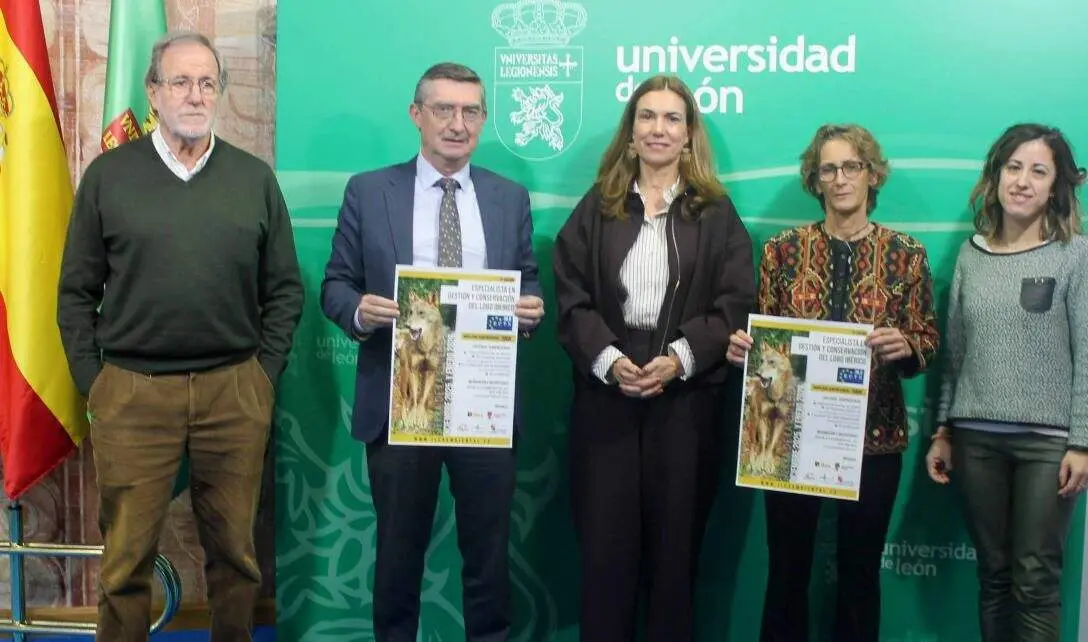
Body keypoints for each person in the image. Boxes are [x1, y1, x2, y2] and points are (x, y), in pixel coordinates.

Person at [56, 31, 304, 642]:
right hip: (133, 396)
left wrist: (261, 377)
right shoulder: (109, 177)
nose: (194, 95)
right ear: (153, 92)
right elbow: (74, 294)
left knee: (237, 560)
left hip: (233, 392)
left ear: (218, 92)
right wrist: (98, 383)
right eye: (180, 82)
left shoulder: (253, 179)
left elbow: (285, 291)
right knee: (125, 564)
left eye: (206, 83)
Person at [320, 62, 544, 642]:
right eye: (443, 109)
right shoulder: (370, 191)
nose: (457, 123)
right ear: (416, 115)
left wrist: (530, 310)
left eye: (470, 111)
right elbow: (335, 286)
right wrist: (358, 311)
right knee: (397, 559)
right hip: (402, 403)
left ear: (484, 120)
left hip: (483, 407)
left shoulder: (509, 197)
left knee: (489, 560)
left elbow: (528, 281)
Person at [553, 74, 755, 641]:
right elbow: (571, 297)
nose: (658, 129)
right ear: (631, 131)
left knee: (674, 555)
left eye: (672, 119)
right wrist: (610, 360)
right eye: (647, 117)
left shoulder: (715, 213)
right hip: (605, 397)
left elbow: (736, 302)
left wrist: (679, 359)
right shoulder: (598, 207)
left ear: (689, 135)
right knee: (605, 555)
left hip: (685, 401)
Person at [726, 123, 940, 642]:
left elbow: (928, 337)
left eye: (852, 167)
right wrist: (744, 349)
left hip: (875, 438)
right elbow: (763, 334)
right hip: (788, 441)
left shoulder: (906, 253)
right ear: (815, 180)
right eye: (829, 169)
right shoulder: (781, 251)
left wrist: (908, 346)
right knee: (786, 571)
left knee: (860, 575)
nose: (840, 179)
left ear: (871, 175)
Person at [926, 123, 1088, 642]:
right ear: (996, 176)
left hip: (1048, 447)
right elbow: (955, 354)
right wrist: (942, 430)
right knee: (994, 577)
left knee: (1035, 582)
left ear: (1057, 186)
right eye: (1013, 167)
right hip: (975, 440)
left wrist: (1085, 444)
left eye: (1038, 171)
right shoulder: (970, 255)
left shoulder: (1075, 255)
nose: (1023, 181)